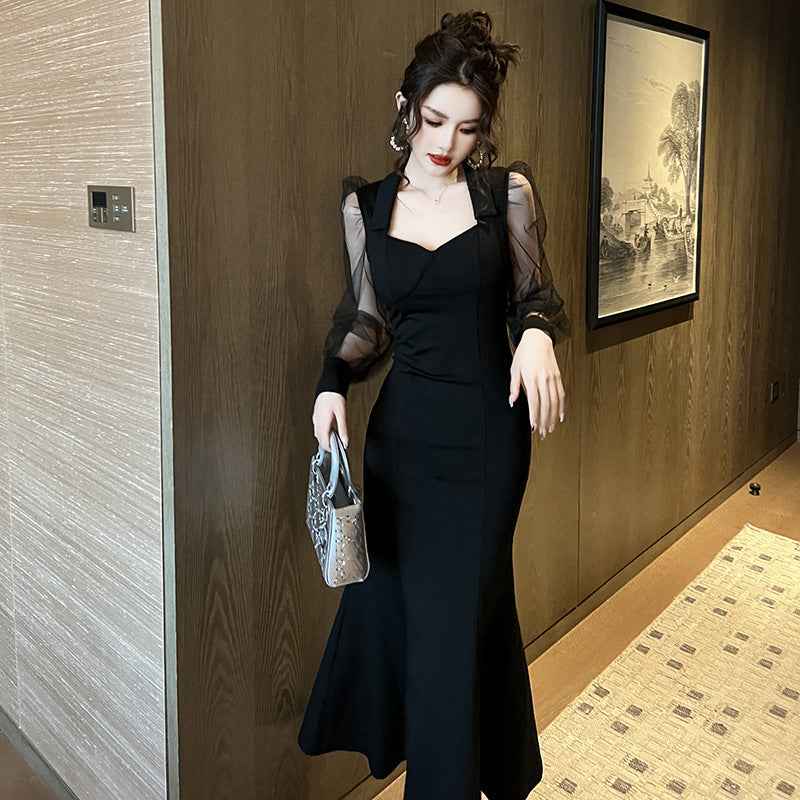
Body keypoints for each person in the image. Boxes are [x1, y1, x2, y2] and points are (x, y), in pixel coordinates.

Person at [298, 10, 571, 800]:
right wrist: (331, 382)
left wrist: (536, 332)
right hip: (400, 447)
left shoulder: (503, 195)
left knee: (457, 620)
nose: (448, 141)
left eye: (468, 127)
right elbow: (366, 325)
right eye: (435, 118)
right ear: (406, 105)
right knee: (413, 624)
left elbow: (535, 294)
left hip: (486, 444)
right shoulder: (366, 208)